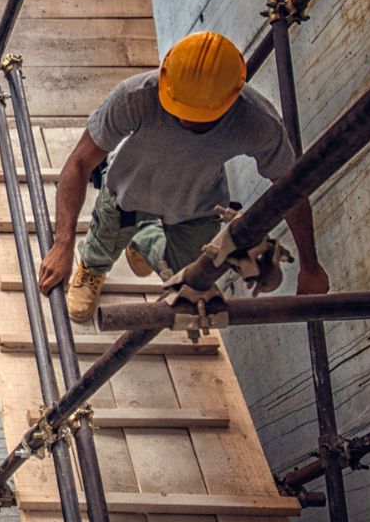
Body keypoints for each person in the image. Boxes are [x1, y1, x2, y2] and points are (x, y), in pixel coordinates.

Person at [38, 31, 330, 321]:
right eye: (178, 108)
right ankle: (93, 268)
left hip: (195, 206)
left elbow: (289, 190)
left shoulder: (256, 122)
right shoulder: (135, 97)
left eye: (199, 117)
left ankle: (142, 240)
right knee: (104, 242)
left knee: (189, 276)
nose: (185, 120)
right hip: (128, 193)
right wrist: (63, 244)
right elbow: (79, 163)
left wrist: (311, 265)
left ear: (231, 99)